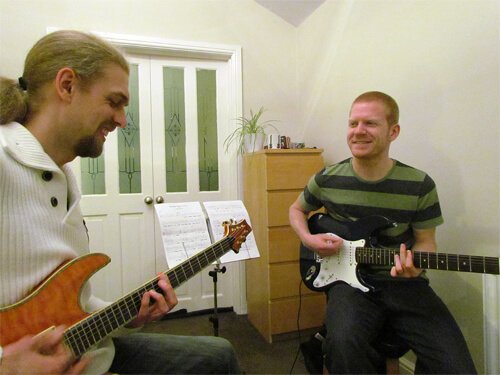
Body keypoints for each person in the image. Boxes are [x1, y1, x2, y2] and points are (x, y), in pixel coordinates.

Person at [0, 30, 240, 375]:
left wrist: (131, 315)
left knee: (218, 355)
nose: (122, 120)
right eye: (114, 102)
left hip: (87, 351)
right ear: (66, 85)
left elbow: (75, 306)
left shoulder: (64, 176)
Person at [289, 91, 477, 374]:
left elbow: (426, 243)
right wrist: (308, 238)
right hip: (349, 287)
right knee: (343, 345)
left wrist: (415, 265)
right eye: (353, 123)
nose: (358, 131)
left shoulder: (419, 184)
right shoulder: (327, 178)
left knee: (455, 364)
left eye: (370, 124)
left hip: (405, 285)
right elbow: (296, 210)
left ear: (394, 131)